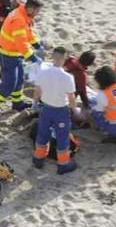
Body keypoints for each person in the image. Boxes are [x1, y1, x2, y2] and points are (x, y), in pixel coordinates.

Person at [0, 0, 43, 121]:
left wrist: (36, 43)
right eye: (37, 11)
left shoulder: (23, 13)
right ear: (31, 8)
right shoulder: (19, 20)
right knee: (9, 84)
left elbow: (27, 32)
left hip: (13, 54)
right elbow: (20, 43)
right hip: (6, 55)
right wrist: (32, 57)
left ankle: (18, 103)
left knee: (19, 79)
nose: (38, 14)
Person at [32, 47, 78, 175]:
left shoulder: (43, 72)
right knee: (62, 137)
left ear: (52, 57)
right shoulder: (68, 77)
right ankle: (63, 164)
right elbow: (71, 97)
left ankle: (38, 159)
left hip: (46, 109)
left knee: (42, 134)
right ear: (64, 59)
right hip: (60, 112)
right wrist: (74, 109)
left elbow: (37, 91)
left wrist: (34, 103)